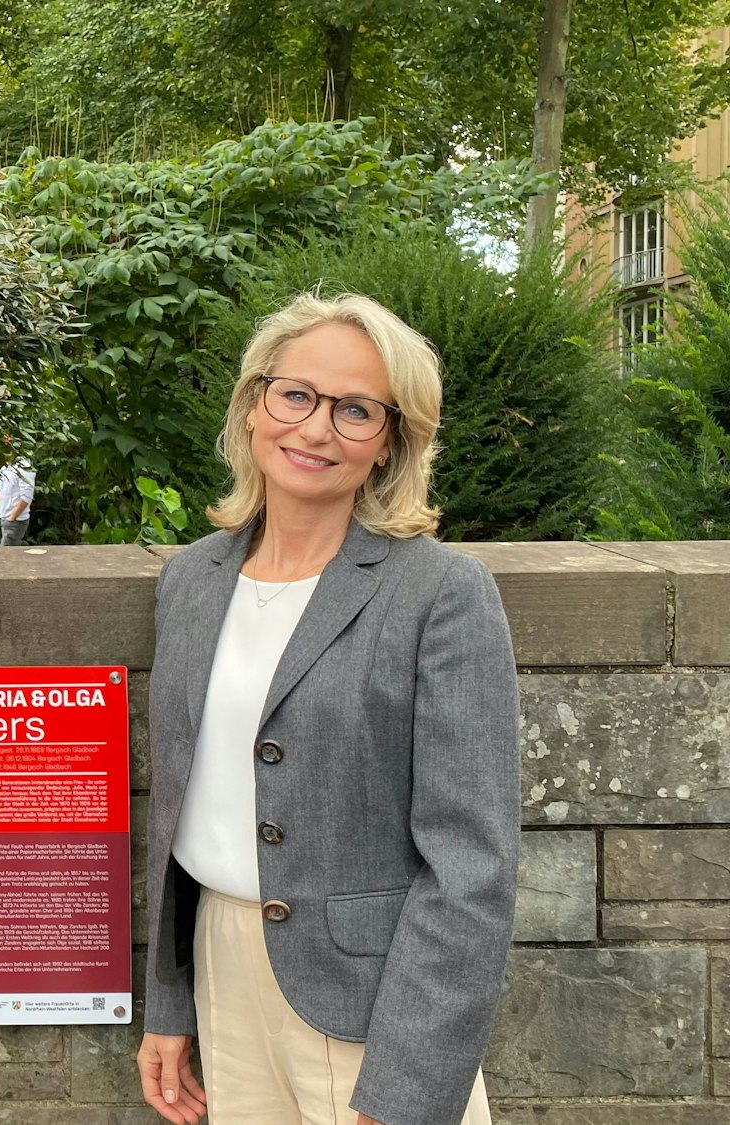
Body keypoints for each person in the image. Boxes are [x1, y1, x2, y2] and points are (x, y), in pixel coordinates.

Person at [137, 293, 518, 1125]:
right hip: (224, 973)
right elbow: (179, 811)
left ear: (390, 442)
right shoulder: (191, 580)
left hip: (373, 1006)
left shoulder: (441, 593)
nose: (315, 429)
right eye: (296, 395)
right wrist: (169, 1000)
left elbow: (471, 869)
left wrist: (406, 1091)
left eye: (355, 409)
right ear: (254, 403)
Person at [0, 443, 35, 546]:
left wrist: (12, 518)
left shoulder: (24, 467)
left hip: (16, 521)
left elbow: (26, 497)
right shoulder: (5, 468)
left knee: (5, 554)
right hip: (5, 520)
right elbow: (0, 494)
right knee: (9, 554)